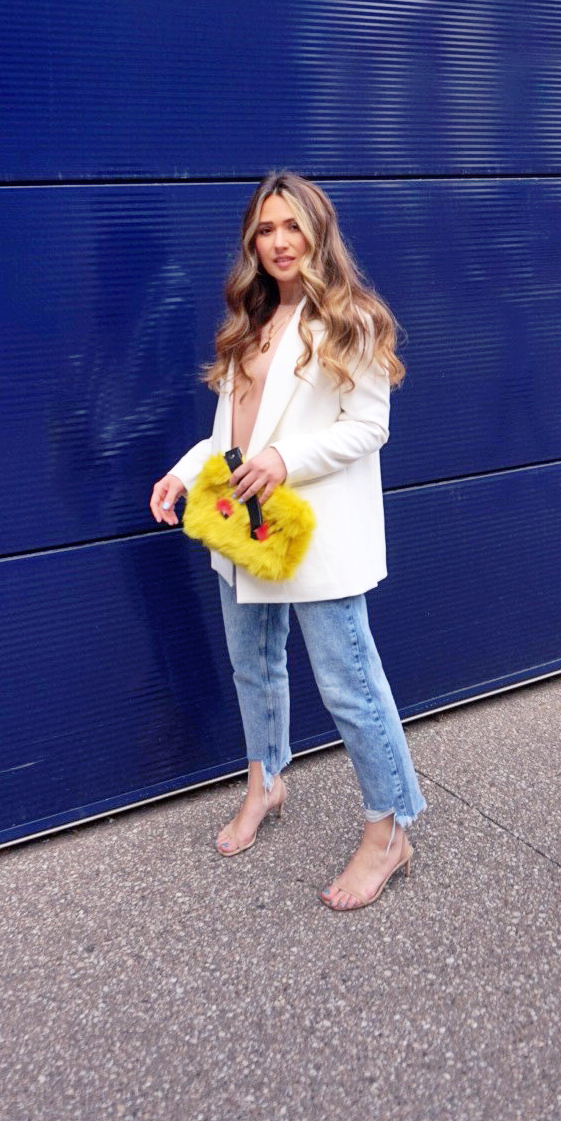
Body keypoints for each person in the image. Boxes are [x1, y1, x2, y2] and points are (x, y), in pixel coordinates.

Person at [149, 171, 427, 911]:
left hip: (316, 535)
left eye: (291, 226)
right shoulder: (252, 319)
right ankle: (265, 782)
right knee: (254, 667)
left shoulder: (353, 319)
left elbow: (370, 427)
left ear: (318, 231)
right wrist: (184, 472)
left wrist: (285, 462)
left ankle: (391, 827)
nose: (278, 241)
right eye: (265, 229)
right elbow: (230, 431)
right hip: (243, 524)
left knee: (351, 686)